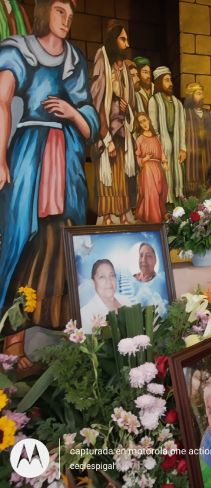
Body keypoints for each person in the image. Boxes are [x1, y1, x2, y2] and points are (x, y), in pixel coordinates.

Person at [0, 0, 100, 370]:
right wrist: (0, 159)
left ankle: (62, 334)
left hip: (66, 163)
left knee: (62, 240)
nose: (67, 21)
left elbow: (88, 117)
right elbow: (2, 100)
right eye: (60, 11)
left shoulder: (73, 58)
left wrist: (72, 112)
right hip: (30, 158)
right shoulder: (19, 50)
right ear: (45, 11)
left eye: (71, 16)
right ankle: (13, 341)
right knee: (25, 241)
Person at [90, 20, 139, 225]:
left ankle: (122, 214)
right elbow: (97, 100)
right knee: (106, 176)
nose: (127, 44)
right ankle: (107, 215)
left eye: (127, 39)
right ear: (113, 40)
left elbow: (131, 103)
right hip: (107, 131)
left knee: (122, 175)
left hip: (123, 131)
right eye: (123, 39)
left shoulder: (125, 68)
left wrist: (128, 114)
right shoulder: (102, 59)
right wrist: (106, 138)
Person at [149, 66, 186, 203]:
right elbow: (153, 128)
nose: (170, 83)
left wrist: (183, 148)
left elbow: (182, 127)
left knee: (177, 176)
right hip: (162, 147)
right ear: (159, 82)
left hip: (176, 147)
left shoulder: (177, 103)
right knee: (164, 176)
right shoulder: (155, 101)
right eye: (166, 80)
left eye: (170, 80)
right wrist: (160, 148)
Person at [184, 81, 211, 197]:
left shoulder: (210, 115)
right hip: (191, 159)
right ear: (191, 96)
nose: (202, 96)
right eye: (198, 93)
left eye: (202, 93)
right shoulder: (184, 114)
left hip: (207, 158)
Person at [80, 259, 132, 333]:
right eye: (102, 277)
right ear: (93, 282)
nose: (109, 281)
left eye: (112, 275)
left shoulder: (126, 301)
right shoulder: (85, 314)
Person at [134, 112, 168, 223]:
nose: (144, 124)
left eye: (145, 120)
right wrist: (144, 159)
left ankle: (160, 212)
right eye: (141, 122)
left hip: (158, 167)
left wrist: (165, 162)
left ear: (149, 120)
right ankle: (154, 218)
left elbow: (162, 151)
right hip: (147, 169)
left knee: (162, 191)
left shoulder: (156, 138)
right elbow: (136, 157)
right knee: (151, 192)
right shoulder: (140, 139)